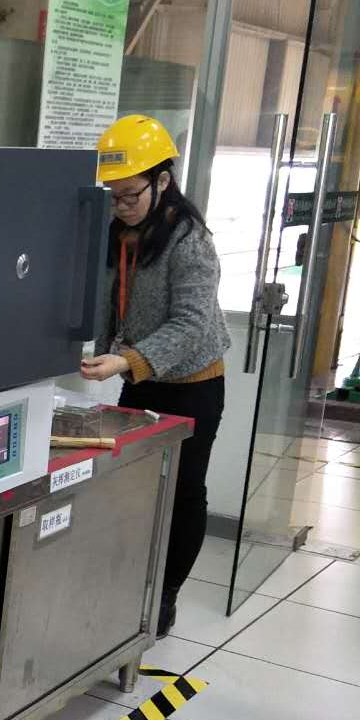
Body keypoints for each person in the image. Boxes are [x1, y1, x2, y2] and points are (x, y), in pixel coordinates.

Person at [79, 115, 229, 637]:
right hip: (141, 379)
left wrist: (126, 360)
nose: (121, 205)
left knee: (184, 491)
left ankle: (165, 594)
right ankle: (127, 583)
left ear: (162, 181)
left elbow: (192, 323)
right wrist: (97, 348)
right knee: (132, 485)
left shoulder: (190, 240)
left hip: (193, 385)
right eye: (113, 195)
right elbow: (110, 299)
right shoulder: (119, 233)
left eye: (130, 194)